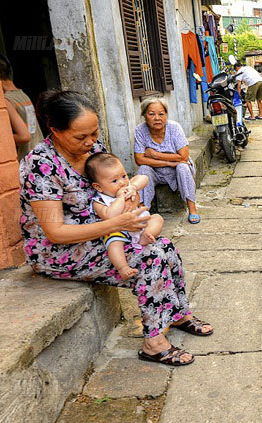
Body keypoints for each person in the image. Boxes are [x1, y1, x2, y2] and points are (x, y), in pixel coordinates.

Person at [19, 90, 212, 367]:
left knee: (165, 246)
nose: (91, 142)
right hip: (59, 251)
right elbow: (55, 233)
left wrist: (127, 195)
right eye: (80, 137)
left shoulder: (94, 152)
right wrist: (117, 222)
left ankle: (177, 313)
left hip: (106, 232)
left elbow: (118, 184)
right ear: (54, 130)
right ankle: (154, 344)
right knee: (150, 257)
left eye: (94, 133)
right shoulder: (40, 165)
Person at [85, 152, 164, 279]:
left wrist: (133, 187)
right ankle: (123, 267)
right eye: (114, 181)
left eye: (124, 176)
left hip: (140, 224)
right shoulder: (99, 201)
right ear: (98, 187)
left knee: (157, 218)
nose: (122, 182)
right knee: (113, 244)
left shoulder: (128, 186)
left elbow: (144, 178)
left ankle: (146, 235)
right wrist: (120, 198)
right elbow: (109, 215)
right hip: (118, 231)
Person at [134, 97, 200, 224]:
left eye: (161, 114)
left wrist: (155, 154)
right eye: (151, 114)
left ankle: (192, 209)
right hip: (155, 171)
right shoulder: (140, 130)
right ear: (144, 116)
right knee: (143, 170)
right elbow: (139, 159)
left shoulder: (174, 128)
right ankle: (142, 211)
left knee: (182, 167)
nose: (157, 118)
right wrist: (169, 162)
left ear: (166, 115)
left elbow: (184, 157)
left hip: (177, 169)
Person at [0, 53, 44, 161]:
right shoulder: (22, 95)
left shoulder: (6, 100)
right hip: (40, 153)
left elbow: (24, 136)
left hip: (28, 160)